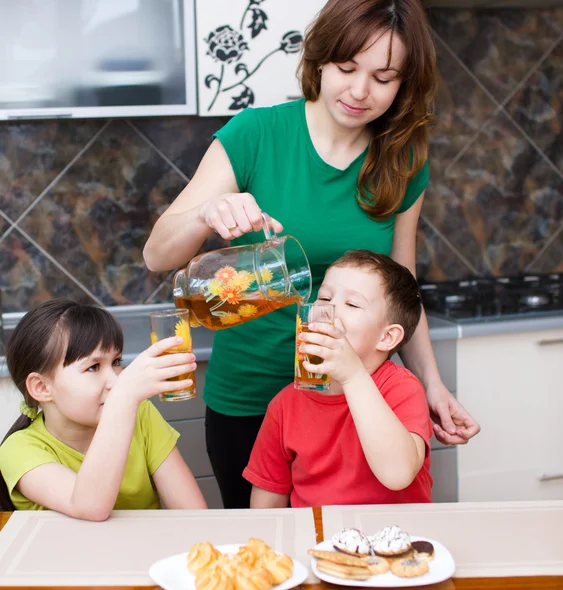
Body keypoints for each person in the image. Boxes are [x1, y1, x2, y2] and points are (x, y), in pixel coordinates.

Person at [143, 0, 480, 509]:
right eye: (347, 68)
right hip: (252, 396)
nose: (360, 91)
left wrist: (431, 384)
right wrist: (206, 213)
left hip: (359, 395)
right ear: (320, 59)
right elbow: (156, 254)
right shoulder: (255, 134)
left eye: (384, 77)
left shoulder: (404, 159)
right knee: (265, 555)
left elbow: (402, 284)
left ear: (404, 84)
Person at [245, 251, 432, 507]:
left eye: (352, 304)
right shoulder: (284, 405)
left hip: (396, 541)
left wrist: (353, 376)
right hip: (317, 542)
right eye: (324, 297)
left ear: (387, 337)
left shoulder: (402, 389)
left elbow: (398, 474)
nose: (329, 310)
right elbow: (266, 507)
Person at [0, 299, 207, 519]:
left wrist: (125, 402)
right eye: (93, 367)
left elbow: (195, 515)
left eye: (116, 362)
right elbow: (88, 506)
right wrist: (124, 398)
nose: (115, 381)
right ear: (41, 387)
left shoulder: (140, 414)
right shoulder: (17, 450)